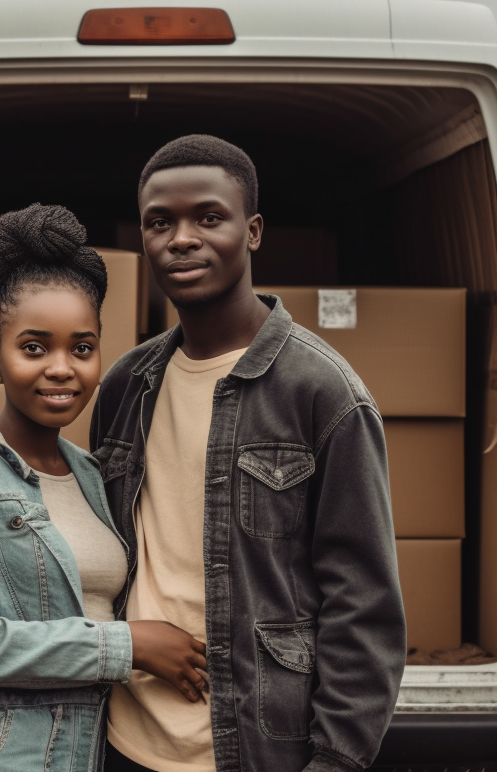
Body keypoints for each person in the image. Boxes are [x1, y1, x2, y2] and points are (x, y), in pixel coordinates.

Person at [91, 136, 407, 772]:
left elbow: (363, 603)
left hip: (254, 747)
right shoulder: (127, 384)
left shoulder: (323, 393)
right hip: (123, 739)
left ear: (253, 230)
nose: (182, 238)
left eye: (209, 217)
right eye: (161, 222)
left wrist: (338, 758)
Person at [0, 203, 208, 772]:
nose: (62, 368)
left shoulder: (94, 475)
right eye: (34, 347)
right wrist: (129, 646)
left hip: (93, 750)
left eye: (82, 348)